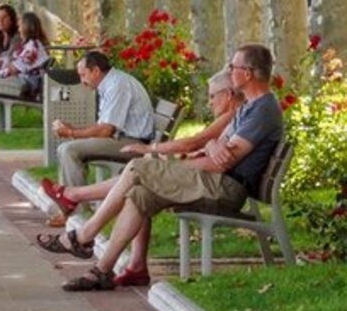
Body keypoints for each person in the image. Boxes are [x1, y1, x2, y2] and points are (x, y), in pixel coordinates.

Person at [39, 44, 284, 291]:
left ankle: (83, 235)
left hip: (224, 188)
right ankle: (102, 270)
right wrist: (211, 145)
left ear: (248, 73)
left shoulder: (262, 110)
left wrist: (196, 154)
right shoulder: (250, 108)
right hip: (213, 182)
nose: (230, 71)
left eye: (234, 67)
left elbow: (223, 162)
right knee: (139, 194)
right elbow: (214, 147)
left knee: (137, 167)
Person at [41, 70, 245, 226]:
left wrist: (152, 149)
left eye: (212, 96)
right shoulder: (234, 117)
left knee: (136, 169)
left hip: (216, 185)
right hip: (205, 175)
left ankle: (78, 209)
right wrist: (205, 146)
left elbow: (195, 143)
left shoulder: (231, 116)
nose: (209, 103)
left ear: (227, 95)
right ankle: (130, 264)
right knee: (138, 186)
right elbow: (202, 143)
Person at [51, 51, 156, 189]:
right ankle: (73, 202)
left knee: (68, 150)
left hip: (134, 144)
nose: (82, 81)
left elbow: (106, 130)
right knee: (65, 149)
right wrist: (73, 130)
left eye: (83, 75)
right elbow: (104, 128)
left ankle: (77, 205)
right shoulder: (112, 83)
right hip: (123, 140)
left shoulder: (117, 85)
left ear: (96, 71)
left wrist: (71, 132)